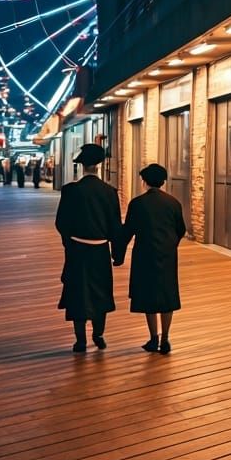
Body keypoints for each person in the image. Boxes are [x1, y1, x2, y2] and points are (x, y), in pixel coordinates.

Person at [55, 143, 124, 353]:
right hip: (100, 250)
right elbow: (115, 225)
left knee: (77, 293)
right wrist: (117, 254)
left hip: (77, 250)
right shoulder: (110, 192)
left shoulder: (70, 191)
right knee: (100, 293)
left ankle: (80, 341)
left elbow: (61, 222)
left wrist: (69, 243)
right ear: (99, 165)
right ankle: (99, 335)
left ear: (81, 166)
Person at [118, 163, 186, 355]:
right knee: (167, 294)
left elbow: (128, 231)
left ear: (144, 181)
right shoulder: (173, 203)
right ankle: (165, 339)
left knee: (148, 295)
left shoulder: (137, 203)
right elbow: (181, 229)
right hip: (167, 254)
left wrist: (118, 254)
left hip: (144, 254)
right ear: (163, 181)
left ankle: (153, 338)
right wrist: (171, 244)